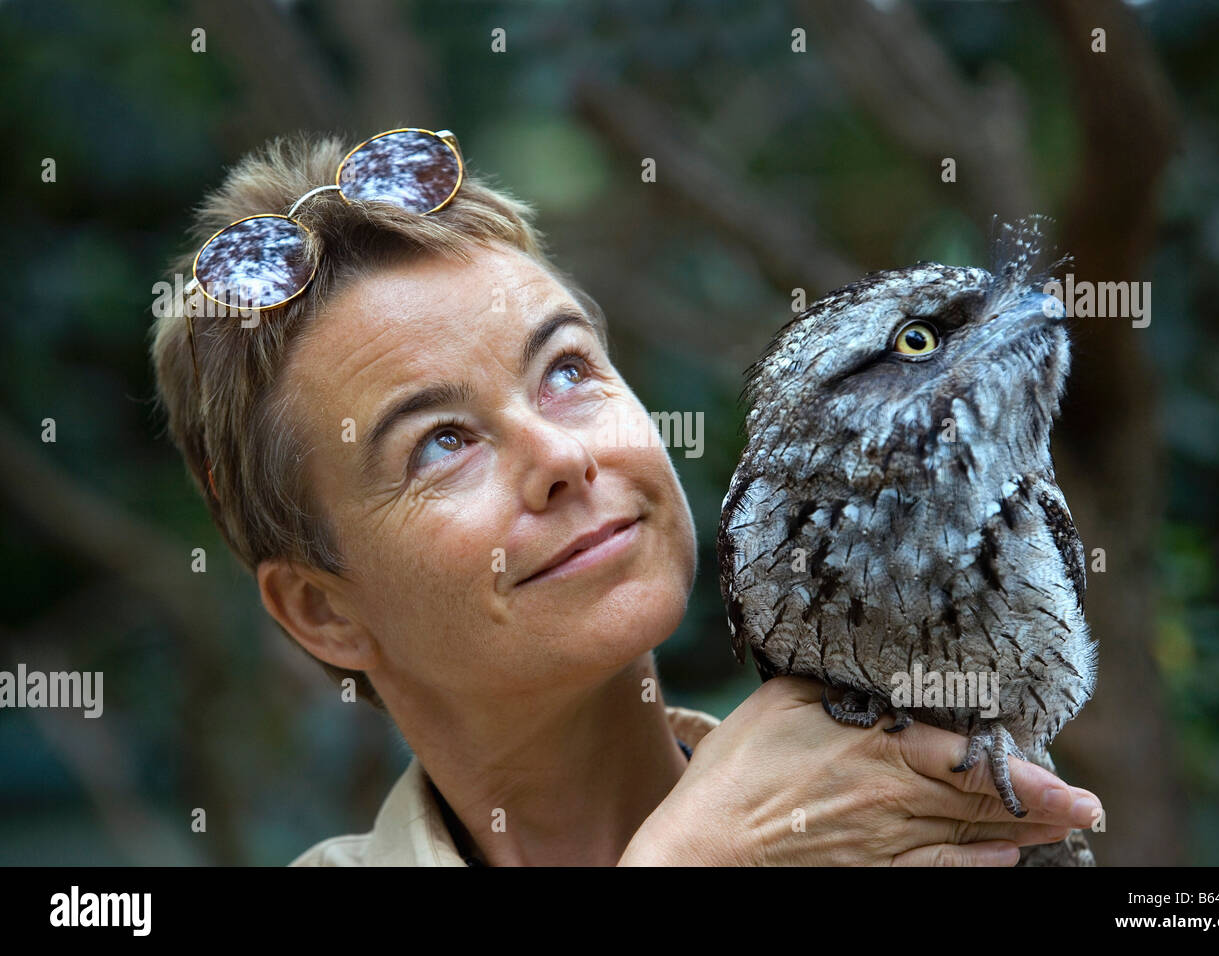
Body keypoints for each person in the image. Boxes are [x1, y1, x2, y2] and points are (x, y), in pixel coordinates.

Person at [149, 128, 1100, 866]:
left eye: (565, 371)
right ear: (323, 610)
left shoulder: (933, 823)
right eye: (441, 443)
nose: (559, 454)